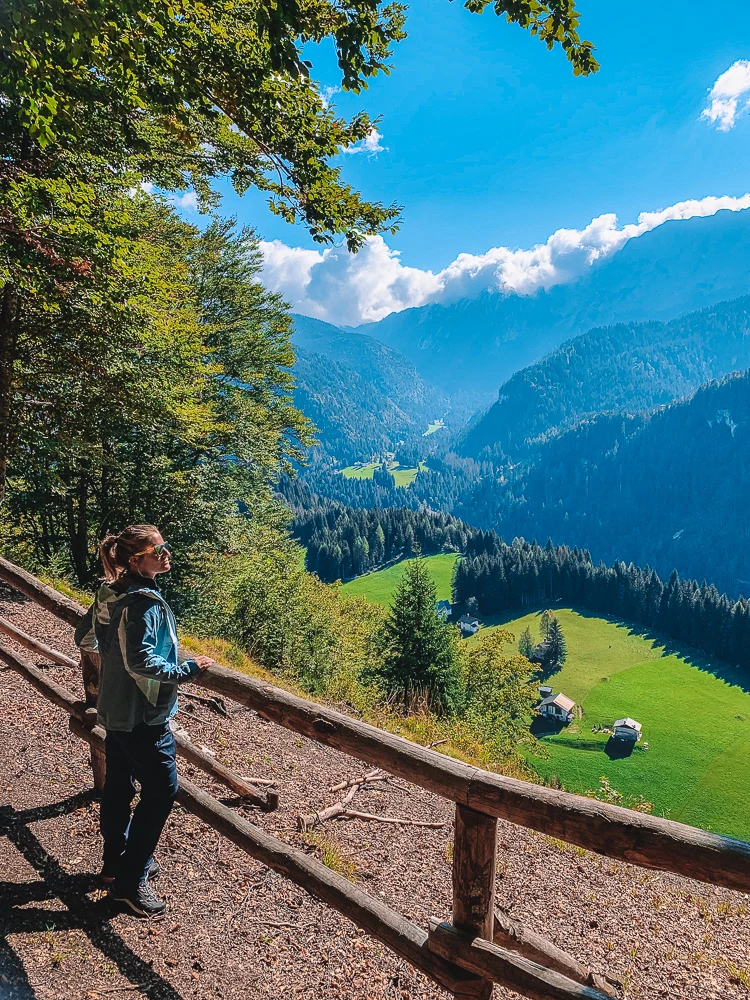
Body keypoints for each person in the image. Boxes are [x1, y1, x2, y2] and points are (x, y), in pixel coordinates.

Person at [75, 524, 214, 916]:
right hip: (142, 715)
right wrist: (187, 669)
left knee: (119, 784)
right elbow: (143, 661)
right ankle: (130, 880)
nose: (166, 553)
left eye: (165, 546)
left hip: (115, 709)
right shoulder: (144, 603)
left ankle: (114, 862)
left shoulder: (111, 591)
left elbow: (84, 637)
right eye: (158, 550)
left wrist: (113, 668)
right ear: (136, 560)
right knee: (162, 790)